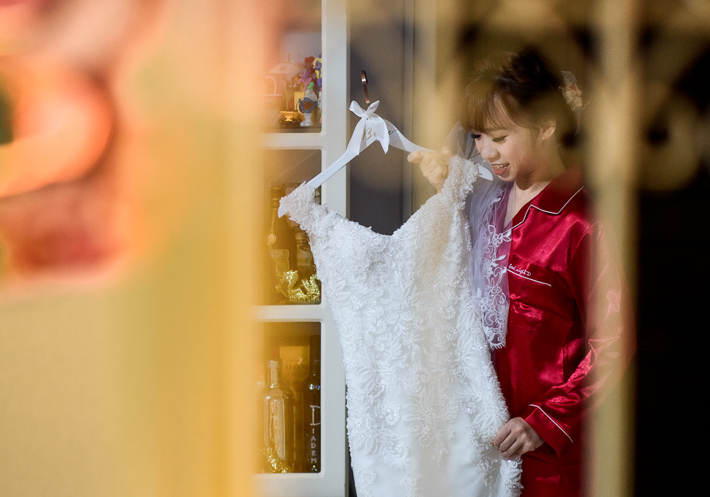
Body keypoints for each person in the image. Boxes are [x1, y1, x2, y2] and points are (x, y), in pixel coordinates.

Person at [408, 50, 635, 497]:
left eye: (500, 137)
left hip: (549, 457)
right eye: (477, 136)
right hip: (479, 443)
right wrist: (444, 182)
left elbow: (614, 341)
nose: (486, 151)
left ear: (547, 126)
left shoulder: (582, 223)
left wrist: (546, 421)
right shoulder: (487, 199)